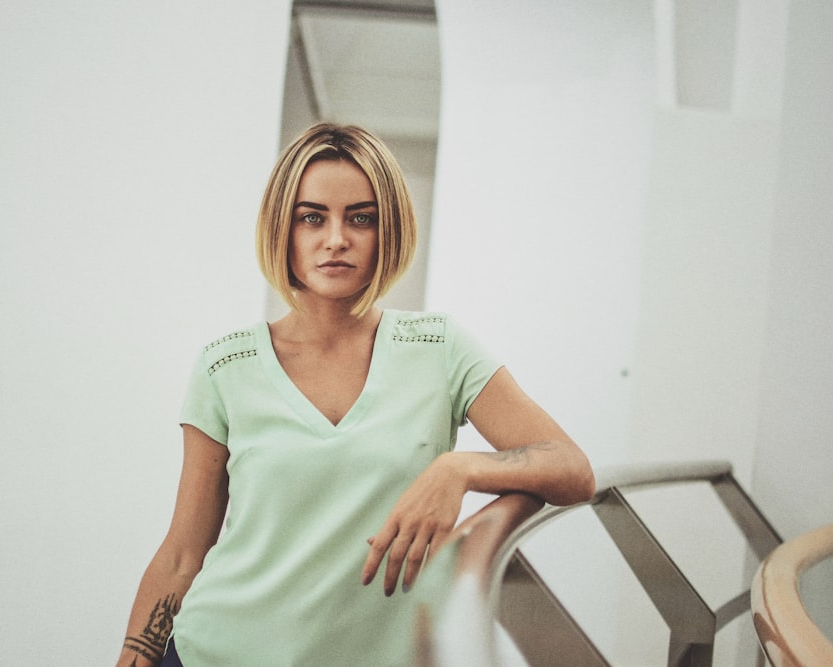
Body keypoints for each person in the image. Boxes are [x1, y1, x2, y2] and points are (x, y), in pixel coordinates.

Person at [115, 123, 595, 667]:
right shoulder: (225, 365)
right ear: (283, 228)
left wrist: (459, 470)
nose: (336, 238)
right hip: (216, 653)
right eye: (312, 217)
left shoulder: (439, 349)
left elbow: (572, 468)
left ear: (386, 230)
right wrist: (136, 653)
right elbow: (182, 553)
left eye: (360, 218)